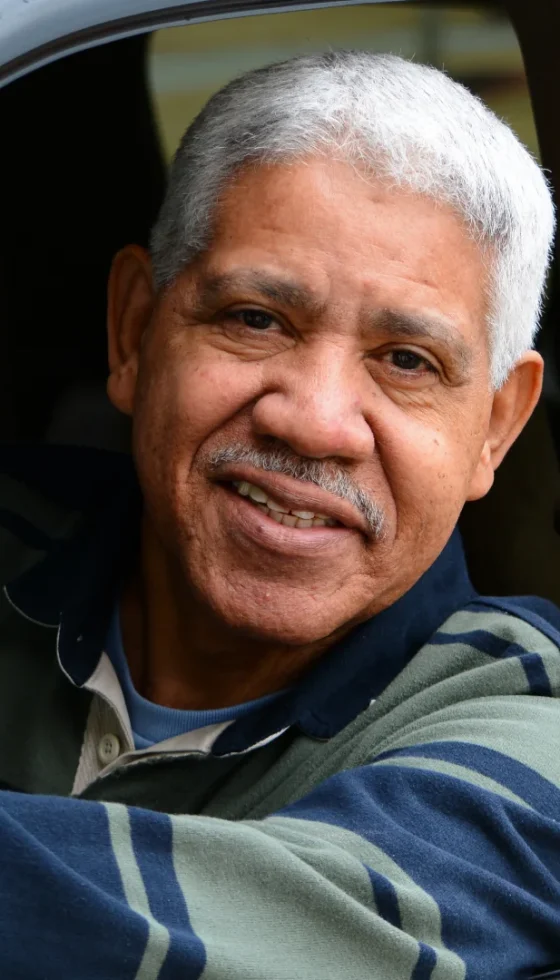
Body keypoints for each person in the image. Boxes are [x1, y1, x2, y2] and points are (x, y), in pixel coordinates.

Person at [0, 50, 559, 979]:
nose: (314, 420)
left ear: (496, 428)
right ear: (136, 330)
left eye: (407, 361)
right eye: (258, 319)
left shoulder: (532, 727)